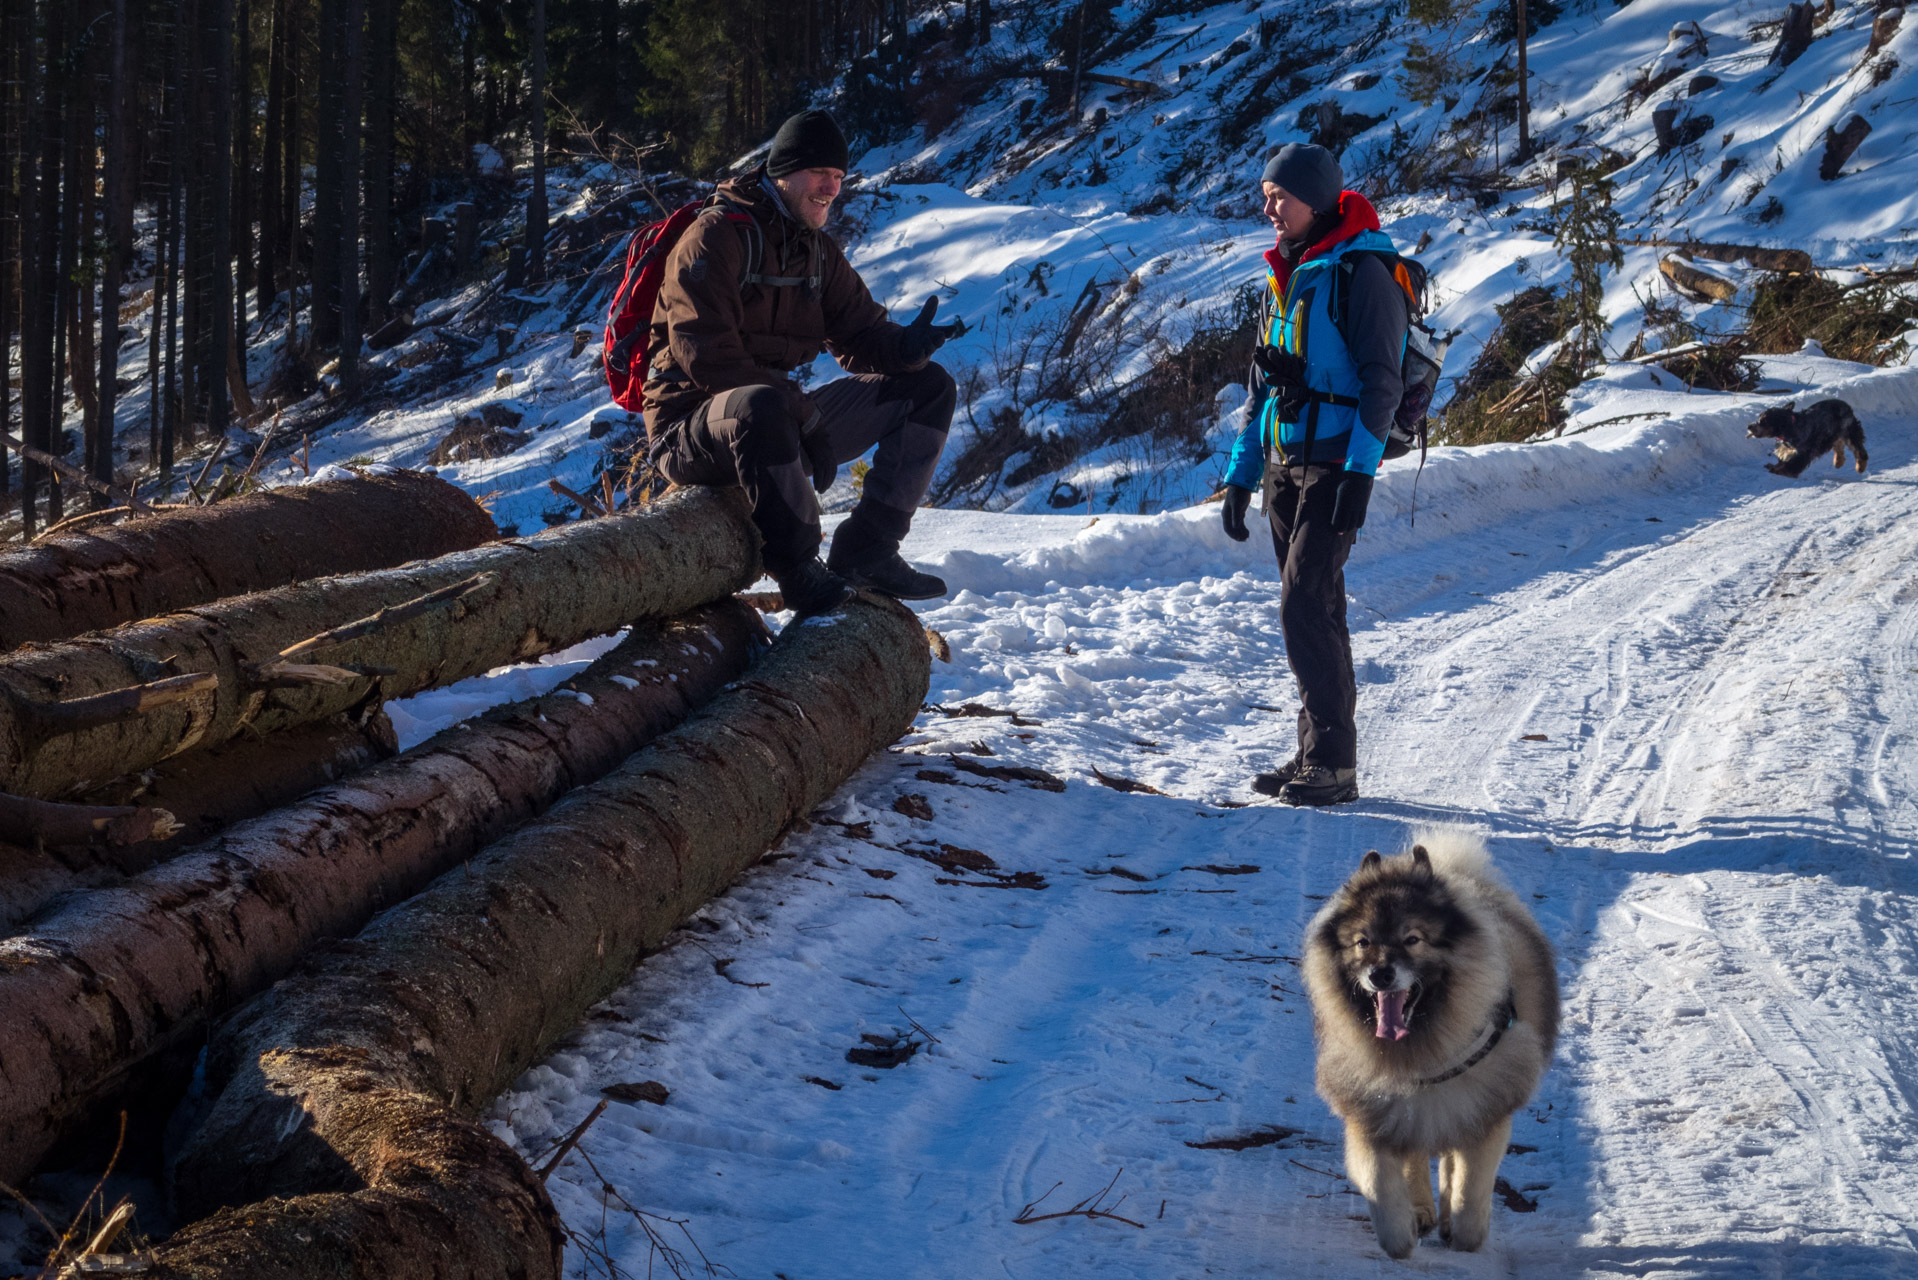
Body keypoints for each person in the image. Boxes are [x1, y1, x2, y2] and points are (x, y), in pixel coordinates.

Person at [644, 109, 964, 616]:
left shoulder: (815, 251)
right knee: (761, 404)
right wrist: (800, 412)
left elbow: (859, 332)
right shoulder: (713, 238)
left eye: (838, 176)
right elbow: (706, 355)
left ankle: (869, 549)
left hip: (774, 422)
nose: (831, 188)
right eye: (820, 174)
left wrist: (904, 348)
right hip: (692, 431)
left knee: (927, 387)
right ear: (783, 173)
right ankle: (797, 570)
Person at [1218, 143, 1409, 807]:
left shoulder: (1362, 271)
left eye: (1280, 196)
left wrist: (1360, 473)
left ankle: (1334, 763)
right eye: (1266, 194)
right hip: (1281, 464)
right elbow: (1259, 386)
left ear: (1317, 198)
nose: (1268, 207)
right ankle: (1317, 754)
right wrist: (1241, 476)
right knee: (1320, 607)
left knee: (1303, 602)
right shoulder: (1286, 271)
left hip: (1333, 462)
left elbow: (1382, 382)